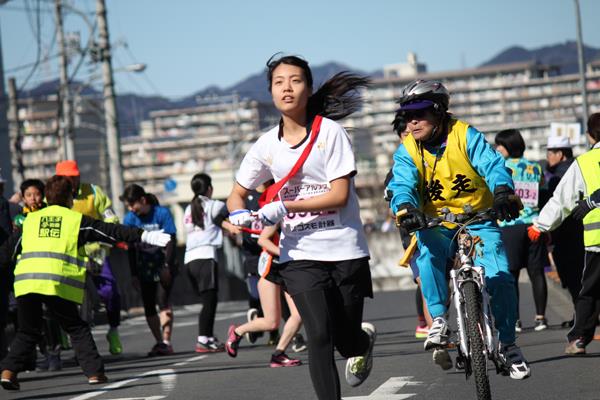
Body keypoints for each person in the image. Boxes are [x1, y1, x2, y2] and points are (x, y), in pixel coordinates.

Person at [226, 54, 376, 400]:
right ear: (272, 92)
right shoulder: (265, 145)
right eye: (279, 82)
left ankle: (362, 342)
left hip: (345, 248)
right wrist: (237, 213)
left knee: (345, 341)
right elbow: (236, 194)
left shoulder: (331, 133)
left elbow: (338, 196)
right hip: (300, 253)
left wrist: (284, 206)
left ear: (308, 89)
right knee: (318, 335)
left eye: (295, 80)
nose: (287, 87)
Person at [388, 79, 530, 379]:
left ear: (439, 111)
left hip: (479, 218)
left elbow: (492, 165)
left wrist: (503, 191)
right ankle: (438, 319)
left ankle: (508, 344)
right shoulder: (407, 149)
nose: (412, 121)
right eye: (407, 115)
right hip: (437, 224)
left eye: (420, 113)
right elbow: (401, 182)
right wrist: (405, 207)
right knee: (425, 251)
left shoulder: (465, 135)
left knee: (500, 276)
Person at [0, 175, 171, 391]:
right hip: (56, 282)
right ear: (70, 197)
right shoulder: (75, 220)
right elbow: (111, 232)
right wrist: (146, 236)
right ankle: (95, 373)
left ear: (46, 198)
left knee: (27, 330)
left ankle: (8, 372)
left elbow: (7, 252)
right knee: (76, 328)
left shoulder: (31, 221)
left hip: (26, 283)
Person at [531, 112, 600, 354]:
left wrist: (539, 226)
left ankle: (579, 338)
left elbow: (562, 200)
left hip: (595, 241)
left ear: (591, 135)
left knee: (588, 291)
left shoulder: (586, 162)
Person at [55, 160, 124, 355]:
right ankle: (63, 330)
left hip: (96, 252)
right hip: (66, 255)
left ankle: (113, 330)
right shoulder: (52, 196)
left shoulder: (94, 192)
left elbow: (110, 216)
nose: (74, 181)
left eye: (76, 177)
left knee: (111, 292)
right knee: (60, 296)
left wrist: (108, 232)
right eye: (69, 178)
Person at [226, 223, 303, 367]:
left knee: (298, 315)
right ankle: (237, 332)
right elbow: (263, 240)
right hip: (271, 269)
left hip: (290, 269)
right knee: (271, 323)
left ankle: (278, 354)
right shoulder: (280, 211)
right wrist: (285, 253)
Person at [494, 129, 549, 332]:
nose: (497, 149)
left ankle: (515, 319)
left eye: (499, 145)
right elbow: (543, 196)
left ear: (508, 146)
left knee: (512, 274)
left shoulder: (501, 168)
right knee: (537, 272)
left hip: (510, 226)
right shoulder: (535, 168)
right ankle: (541, 318)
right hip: (534, 224)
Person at [183, 173, 240, 352]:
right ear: (209, 188)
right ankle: (203, 339)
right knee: (210, 301)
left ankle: (207, 336)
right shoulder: (214, 205)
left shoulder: (188, 208)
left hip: (189, 259)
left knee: (206, 300)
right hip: (206, 255)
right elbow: (221, 217)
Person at [121, 184, 177, 356]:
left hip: (162, 263)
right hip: (143, 265)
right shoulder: (130, 219)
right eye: (128, 206)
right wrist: (134, 274)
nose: (131, 209)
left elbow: (171, 241)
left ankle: (167, 341)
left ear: (143, 200)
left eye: (133, 205)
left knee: (163, 300)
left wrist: (168, 266)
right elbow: (130, 249)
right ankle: (159, 342)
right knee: (149, 306)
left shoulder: (162, 213)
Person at [542, 136, 585, 327]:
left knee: (574, 278)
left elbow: (555, 204)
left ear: (560, 154)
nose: (547, 157)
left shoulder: (559, 176)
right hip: (584, 231)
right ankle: (583, 317)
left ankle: (583, 319)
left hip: (566, 234)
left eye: (550, 153)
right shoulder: (579, 167)